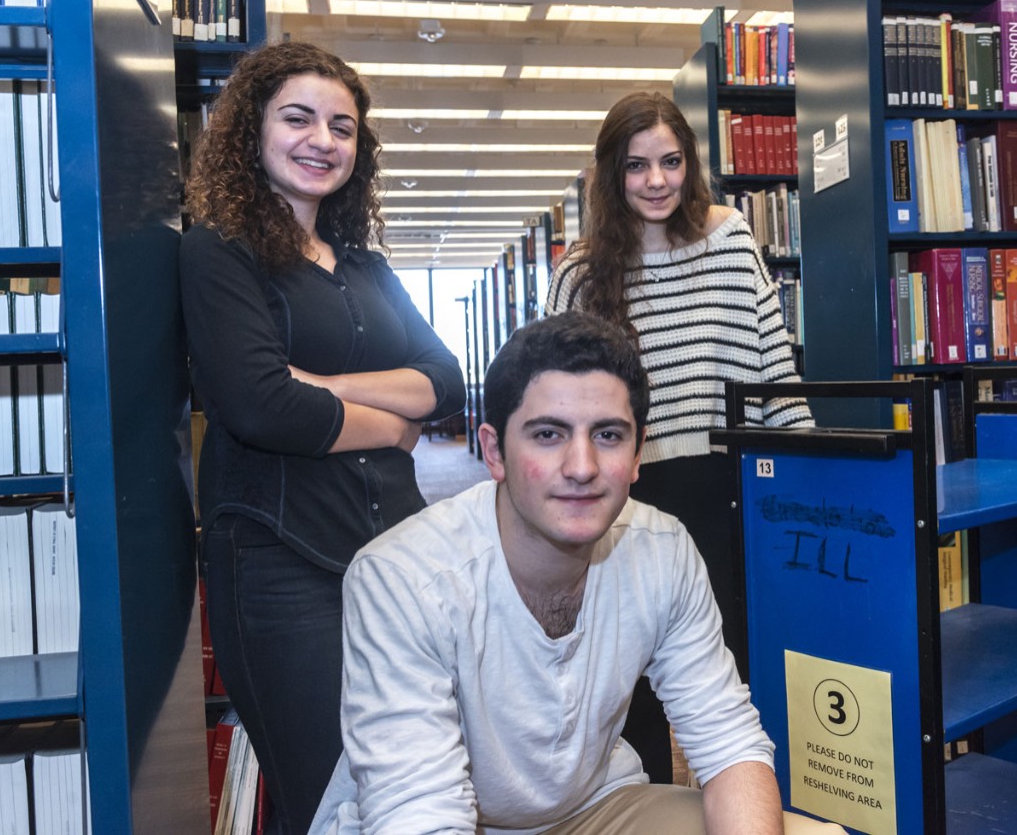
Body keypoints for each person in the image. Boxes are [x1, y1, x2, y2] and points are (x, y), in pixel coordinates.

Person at [309, 312, 842, 835]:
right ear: (494, 451)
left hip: (595, 808)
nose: (582, 467)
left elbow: (728, 743)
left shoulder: (662, 550)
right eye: (548, 434)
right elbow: (419, 813)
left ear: (638, 454)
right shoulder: (402, 578)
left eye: (608, 435)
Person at [179, 41, 464, 834]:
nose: (322, 140)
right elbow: (263, 406)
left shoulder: (366, 266)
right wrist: (391, 421)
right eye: (298, 118)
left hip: (394, 558)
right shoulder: (217, 251)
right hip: (281, 563)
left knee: (404, 779)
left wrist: (325, 386)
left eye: (342, 126)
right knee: (324, 795)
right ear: (251, 132)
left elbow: (446, 381)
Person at [544, 91, 814, 781]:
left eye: (670, 161)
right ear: (611, 174)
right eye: (637, 166)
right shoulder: (579, 272)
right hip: (622, 502)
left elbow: (773, 367)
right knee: (623, 685)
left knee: (728, 679)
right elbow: (552, 397)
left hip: (723, 490)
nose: (657, 181)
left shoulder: (730, 239)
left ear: (691, 164)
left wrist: (813, 473)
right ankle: (641, 812)